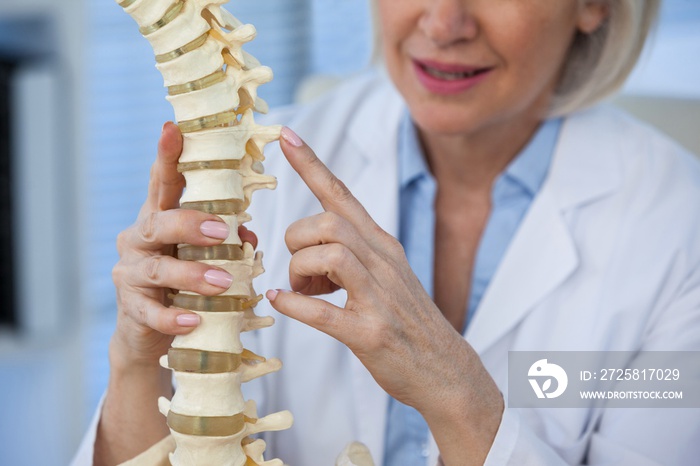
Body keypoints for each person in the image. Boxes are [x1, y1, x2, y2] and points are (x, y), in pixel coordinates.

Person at [74, 0, 700, 465]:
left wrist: (458, 395)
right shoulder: (258, 173)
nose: (444, 24)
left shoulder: (677, 230)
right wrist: (138, 363)